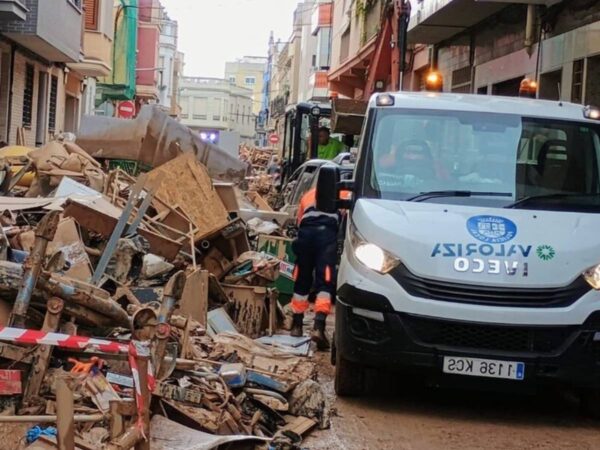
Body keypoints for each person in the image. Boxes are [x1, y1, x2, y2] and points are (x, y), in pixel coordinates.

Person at [290, 184, 339, 350]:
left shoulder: (307, 195)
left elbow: (299, 222)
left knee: (302, 278)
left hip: (305, 235)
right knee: (325, 281)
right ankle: (319, 326)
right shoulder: (341, 192)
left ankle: (296, 325)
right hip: (326, 235)